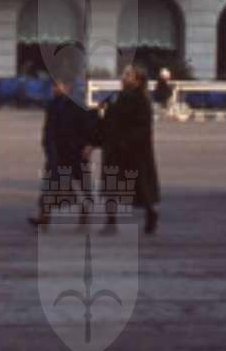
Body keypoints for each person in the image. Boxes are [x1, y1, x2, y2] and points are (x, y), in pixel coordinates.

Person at [28, 74, 97, 227]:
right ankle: (44, 216)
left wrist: (89, 144)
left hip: (76, 151)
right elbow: (48, 127)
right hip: (57, 150)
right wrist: (47, 144)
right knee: (50, 183)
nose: (54, 89)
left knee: (81, 184)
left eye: (57, 85)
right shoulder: (53, 105)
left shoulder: (79, 104)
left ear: (68, 87)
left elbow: (90, 126)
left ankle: (84, 213)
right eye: (54, 86)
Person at [98, 67, 160, 233]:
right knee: (111, 185)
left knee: (140, 187)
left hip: (134, 152)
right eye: (124, 74)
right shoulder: (117, 96)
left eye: (128, 75)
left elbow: (143, 127)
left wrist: (126, 141)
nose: (123, 78)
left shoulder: (142, 99)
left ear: (138, 80)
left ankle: (151, 213)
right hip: (114, 149)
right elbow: (108, 119)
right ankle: (110, 221)